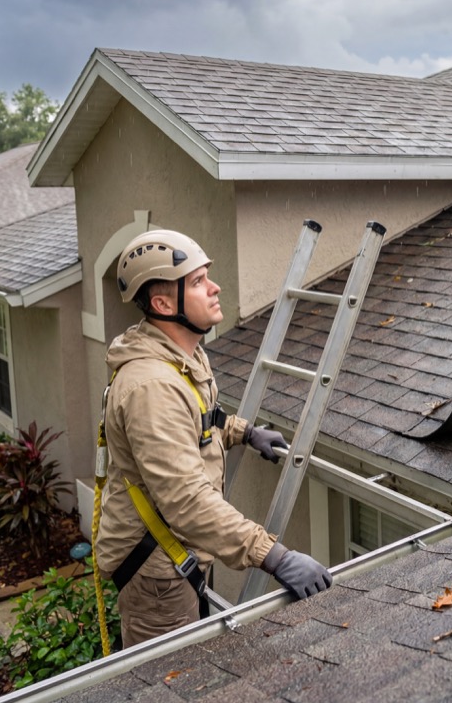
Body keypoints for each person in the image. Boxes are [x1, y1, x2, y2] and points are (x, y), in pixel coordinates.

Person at [95, 228, 331, 647]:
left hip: (179, 551)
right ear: (163, 304)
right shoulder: (150, 387)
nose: (215, 287)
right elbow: (186, 501)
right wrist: (275, 557)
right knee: (173, 684)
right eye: (199, 282)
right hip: (157, 574)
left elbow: (199, 421)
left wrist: (243, 431)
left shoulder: (182, 357)